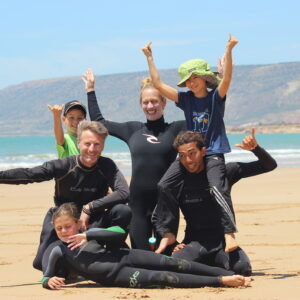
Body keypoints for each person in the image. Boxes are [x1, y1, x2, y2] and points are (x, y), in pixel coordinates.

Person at [142, 35, 239, 252]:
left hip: (212, 152)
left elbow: (227, 79)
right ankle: (168, 234)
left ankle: (229, 233)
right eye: (187, 80)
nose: (191, 82)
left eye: (194, 78)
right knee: (164, 185)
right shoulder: (186, 100)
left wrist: (230, 50)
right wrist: (149, 57)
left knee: (216, 188)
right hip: (188, 154)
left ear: (205, 78)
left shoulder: (215, 98)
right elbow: (157, 84)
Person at [0, 120, 131, 271]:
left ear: (103, 146)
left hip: (92, 225)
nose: (92, 149)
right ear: (79, 143)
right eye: (87, 144)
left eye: (97, 144)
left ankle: (112, 254)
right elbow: (28, 174)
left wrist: (89, 208)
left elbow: (124, 192)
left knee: (122, 211)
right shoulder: (64, 166)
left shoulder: (106, 165)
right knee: (40, 263)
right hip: (65, 224)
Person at [82, 68, 186, 250]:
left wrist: (220, 86)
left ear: (164, 102)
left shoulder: (176, 129)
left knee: (167, 255)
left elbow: (205, 117)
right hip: (138, 204)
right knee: (141, 255)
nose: (150, 106)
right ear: (141, 105)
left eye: (154, 101)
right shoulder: (133, 130)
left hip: (166, 204)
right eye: (145, 102)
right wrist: (90, 90)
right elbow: (100, 123)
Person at [152, 129, 277, 276]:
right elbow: (164, 211)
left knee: (242, 269)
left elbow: (269, 166)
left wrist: (256, 149)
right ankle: (211, 267)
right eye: (182, 156)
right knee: (177, 264)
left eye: (192, 153)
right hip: (195, 242)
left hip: (222, 242)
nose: (188, 160)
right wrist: (175, 243)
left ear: (203, 151)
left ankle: (208, 266)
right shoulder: (176, 181)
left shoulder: (222, 173)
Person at [41, 202, 251, 290]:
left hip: (125, 256)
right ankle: (221, 280)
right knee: (161, 278)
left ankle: (228, 272)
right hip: (116, 277)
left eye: (67, 226)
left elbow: (119, 233)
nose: (63, 232)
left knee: (172, 262)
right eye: (59, 229)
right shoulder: (59, 250)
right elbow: (46, 275)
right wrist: (48, 281)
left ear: (78, 223)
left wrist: (89, 235)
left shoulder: (90, 233)